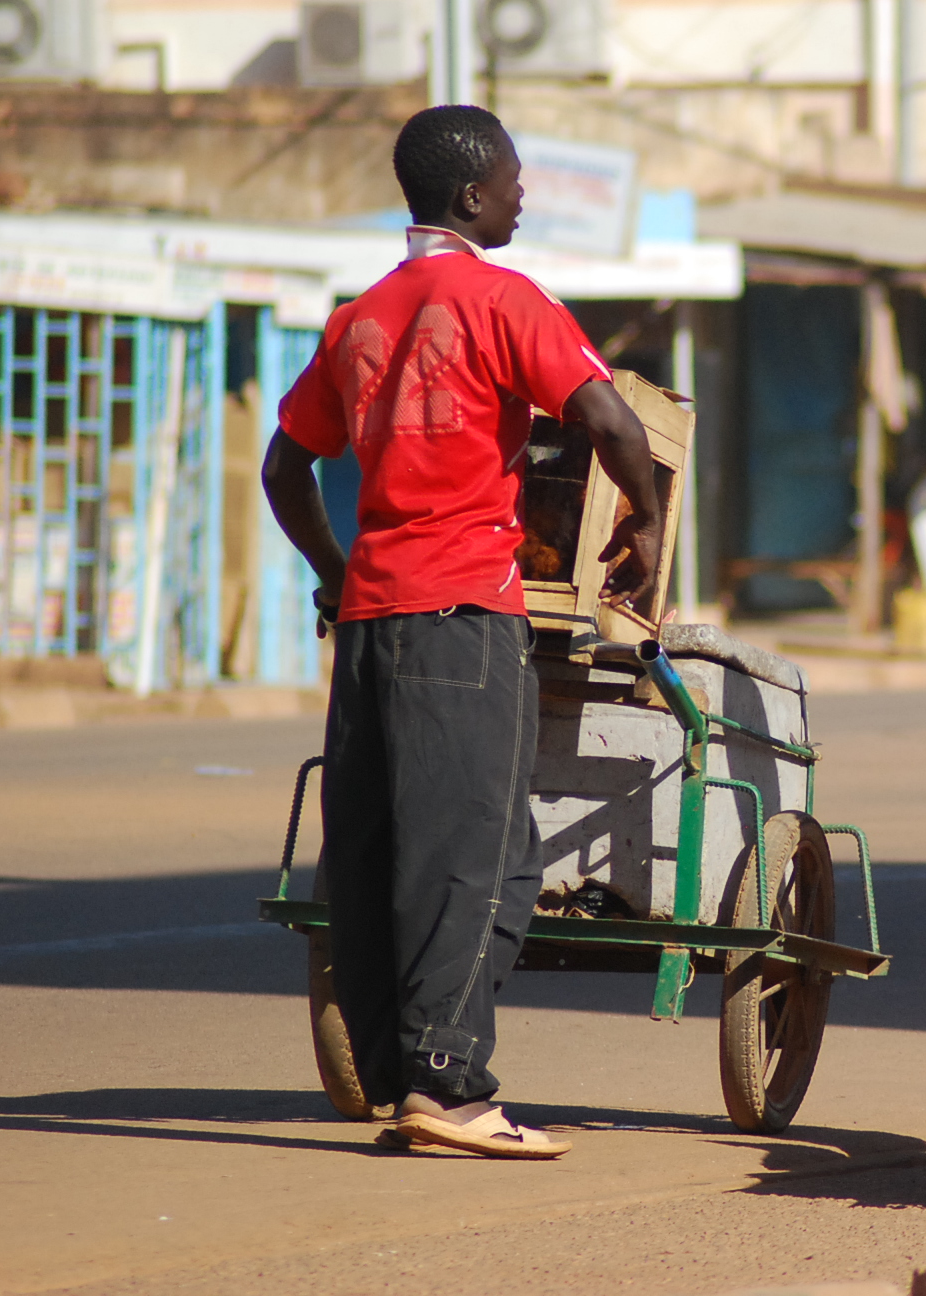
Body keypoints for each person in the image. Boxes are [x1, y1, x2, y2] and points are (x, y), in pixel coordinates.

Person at [261, 105, 665, 1159]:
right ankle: (450, 1085)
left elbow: (284, 466)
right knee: (473, 860)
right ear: (472, 196)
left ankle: (405, 1083)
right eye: (514, 179)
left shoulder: (360, 316)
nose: (524, 194)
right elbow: (612, 420)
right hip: (462, 618)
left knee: (396, 854)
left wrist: (336, 572)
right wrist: (652, 527)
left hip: (372, 626)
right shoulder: (501, 299)